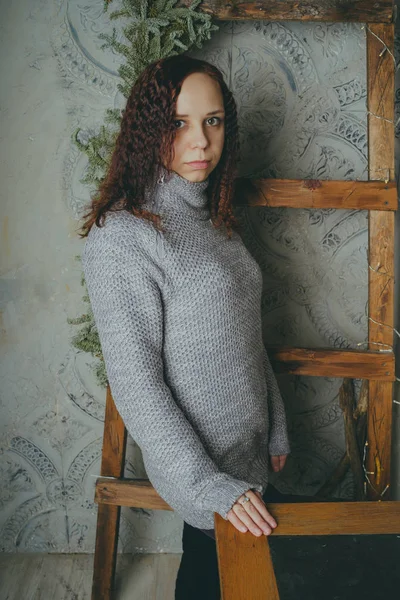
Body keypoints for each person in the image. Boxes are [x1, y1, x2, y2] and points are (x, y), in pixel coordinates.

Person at [79, 54, 291, 598]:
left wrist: (277, 426)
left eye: (213, 121)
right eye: (178, 123)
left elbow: (246, 335)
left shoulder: (211, 218)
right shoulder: (123, 235)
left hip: (249, 460)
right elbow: (137, 384)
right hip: (205, 473)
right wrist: (208, 484)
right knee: (210, 579)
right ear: (148, 127)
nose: (200, 141)